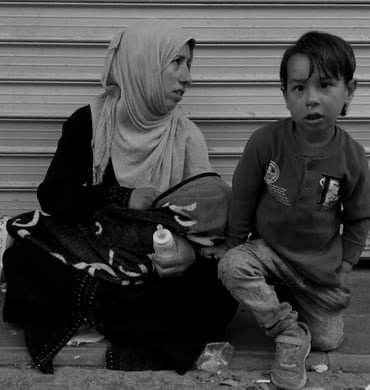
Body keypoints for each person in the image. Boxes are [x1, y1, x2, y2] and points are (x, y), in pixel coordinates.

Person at [2, 19, 237, 374]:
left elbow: (208, 222)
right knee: (25, 255)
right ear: (141, 65)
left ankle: (88, 311)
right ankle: (123, 317)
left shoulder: (187, 138)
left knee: (215, 289)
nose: (187, 77)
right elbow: (54, 196)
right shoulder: (91, 123)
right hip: (89, 249)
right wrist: (121, 196)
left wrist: (188, 254)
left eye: (189, 64)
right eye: (176, 63)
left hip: (151, 267)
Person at [202, 31, 370, 390]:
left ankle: (292, 305)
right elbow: (244, 196)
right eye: (299, 88)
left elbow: (358, 218)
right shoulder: (266, 142)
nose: (312, 99)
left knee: (328, 339)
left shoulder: (353, 157)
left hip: (318, 270)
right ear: (285, 94)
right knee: (231, 266)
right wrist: (233, 243)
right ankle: (288, 331)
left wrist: (345, 267)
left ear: (349, 92)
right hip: (270, 253)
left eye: (325, 85)